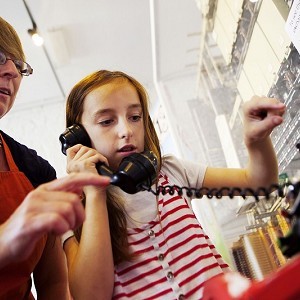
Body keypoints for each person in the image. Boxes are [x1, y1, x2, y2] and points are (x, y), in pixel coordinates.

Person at [63, 70, 286, 299]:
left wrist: (256, 141)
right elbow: (91, 295)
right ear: (78, 138)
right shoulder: (72, 211)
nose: (126, 131)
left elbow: (259, 183)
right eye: (107, 121)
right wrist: (95, 192)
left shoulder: (171, 172)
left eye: (135, 117)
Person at [0, 17, 110, 299]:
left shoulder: (35, 171)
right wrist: (8, 236)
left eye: (18, 65)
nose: (12, 71)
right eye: (0, 57)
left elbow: (54, 285)